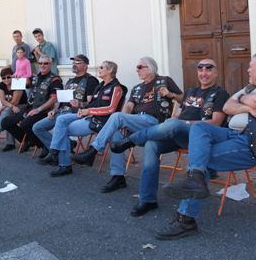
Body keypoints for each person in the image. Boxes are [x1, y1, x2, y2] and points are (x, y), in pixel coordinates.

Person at [158, 51, 256, 240]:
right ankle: (195, 180)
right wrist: (248, 106)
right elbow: (227, 107)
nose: (248, 70)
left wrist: (243, 99)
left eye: (251, 66)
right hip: (234, 135)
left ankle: (186, 219)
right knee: (199, 127)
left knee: (201, 158)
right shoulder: (250, 88)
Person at [111, 58, 229, 217]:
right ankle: (147, 199)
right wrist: (173, 121)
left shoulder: (220, 93)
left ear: (216, 73)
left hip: (199, 137)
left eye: (209, 69)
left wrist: (181, 123)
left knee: (174, 124)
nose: (204, 72)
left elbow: (215, 123)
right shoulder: (190, 92)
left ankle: (133, 139)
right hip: (178, 133)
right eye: (200, 69)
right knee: (151, 144)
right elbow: (177, 114)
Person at [71, 57, 182, 193]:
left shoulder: (164, 81)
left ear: (150, 68)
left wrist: (170, 94)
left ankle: (93, 151)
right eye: (137, 67)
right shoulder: (137, 88)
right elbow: (129, 106)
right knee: (116, 134)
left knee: (117, 116)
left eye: (140, 67)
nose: (137, 70)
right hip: (137, 122)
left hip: (155, 122)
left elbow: (183, 98)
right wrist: (123, 122)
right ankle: (118, 177)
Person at [47, 61, 125, 176]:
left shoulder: (116, 88)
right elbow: (91, 104)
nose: (98, 69)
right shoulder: (100, 86)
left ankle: (64, 164)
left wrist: (88, 111)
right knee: (61, 120)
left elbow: (111, 109)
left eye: (101, 67)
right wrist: (80, 107)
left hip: (101, 121)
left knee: (62, 130)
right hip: (89, 117)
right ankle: (54, 152)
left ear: (110, 70)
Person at [32, 54, 99, 160]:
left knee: (59, 128)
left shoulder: (90, 80)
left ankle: (57, 155)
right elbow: (60, 100)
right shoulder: (70, 81)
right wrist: (54, 110)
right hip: (61, 112)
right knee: (37, 127)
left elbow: (92, 103)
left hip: (75, 113)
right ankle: (59, 151)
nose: (74, 64)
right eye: (73, 62)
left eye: (78, 62)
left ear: (86, 65)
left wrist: (80, 104)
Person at [0, 56, 62, 152]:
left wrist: (38, 109)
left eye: (45, 63)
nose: (42, 65)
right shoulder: (35, 77)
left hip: (43, 111)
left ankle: (43, 146)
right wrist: (17, 78)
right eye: (40, 63)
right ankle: (28, 141)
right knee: (5, 122)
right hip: (29, 108)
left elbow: (54, 98)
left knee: (25, 124)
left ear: (51, 64)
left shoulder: (55, 80)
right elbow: (26, 82)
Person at [0, 67, 28, 143]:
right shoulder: (1, 84)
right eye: (3, 78)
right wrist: (8, 106)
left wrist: (3, 107)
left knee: (7, 111)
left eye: (8, 77)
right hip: (10, 107)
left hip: (22, 106)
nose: (6, 79)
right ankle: (9, 143)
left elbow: (15, 101)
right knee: (7, 114)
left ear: (12, 76)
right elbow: (2, 100)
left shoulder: (18, 82)